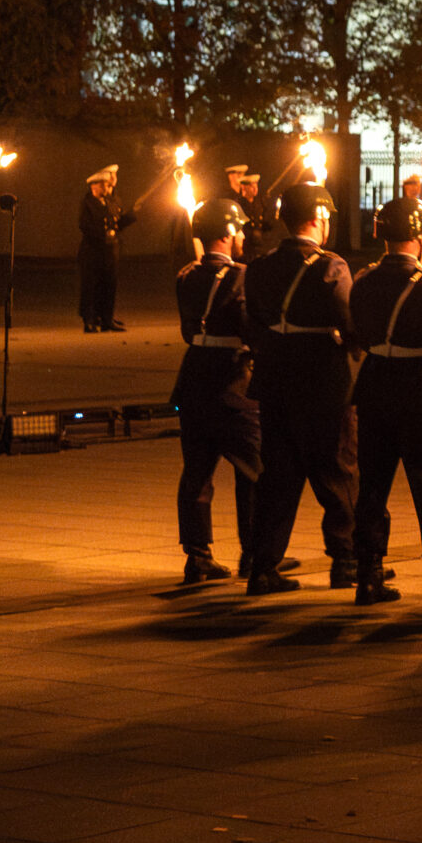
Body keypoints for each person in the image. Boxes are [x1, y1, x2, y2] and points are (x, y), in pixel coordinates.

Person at [240, 183, 359, 594]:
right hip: (323, 380)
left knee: (279, 476)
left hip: (274, 380)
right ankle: (345, 560)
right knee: (337, 469)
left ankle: (263, 566)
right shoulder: (332, 266)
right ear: (318, 218)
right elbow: (351, 320)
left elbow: (252, 323)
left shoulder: (260, 266)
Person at [348, 198, 422, 603]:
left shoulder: (363, 280)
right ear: (420, 233)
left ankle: (368, 573)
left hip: (374, 385)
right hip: (419, 387)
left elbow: (357, 332)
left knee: (372, 484)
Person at [171, 198, 262, 584]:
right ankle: (255, 552)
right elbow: (249, 328)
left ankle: (198, 554)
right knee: (256, 469)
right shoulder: (243, 276)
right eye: (238, 229)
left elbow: (189, 331)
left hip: (193, 380)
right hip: (231, 382)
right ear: (225, 233)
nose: (242, 235)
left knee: (197, 471)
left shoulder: (186, 275)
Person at [79, 165, 133, 333]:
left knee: (109, 285)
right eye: (103, 185)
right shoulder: (88, 203)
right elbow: (85, 226)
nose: (107, 188)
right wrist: (104, 234)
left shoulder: (111, 201)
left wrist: (130, 217)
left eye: (108, 185)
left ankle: (107, 319)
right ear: (93, 186)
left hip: (110, 252)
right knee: (91, 287)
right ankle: (90, 319)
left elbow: (117, 224)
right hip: (93, 251)